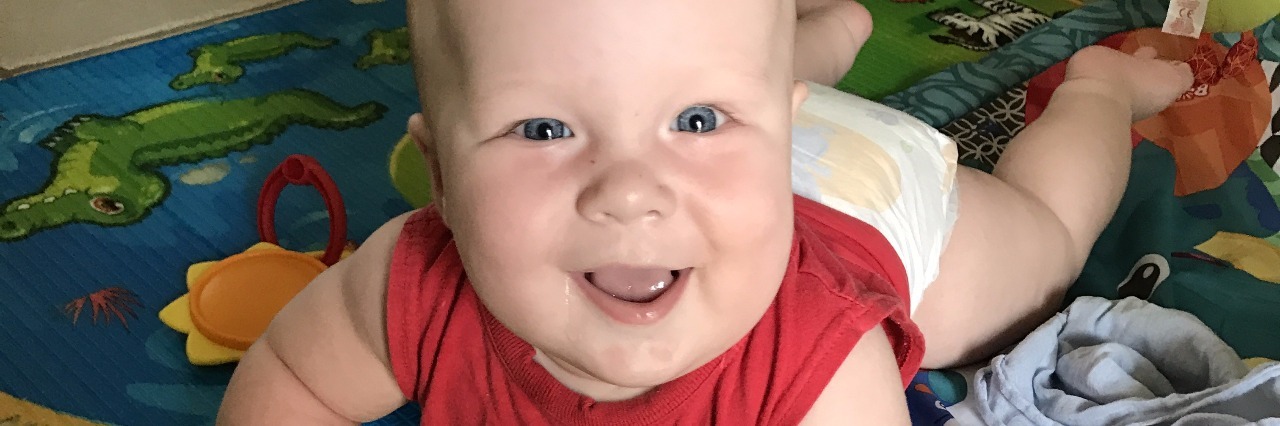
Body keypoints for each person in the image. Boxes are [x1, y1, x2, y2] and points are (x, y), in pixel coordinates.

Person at [217, 0, 1194, 423]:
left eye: (694, 116)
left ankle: (1094, 95)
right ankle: (787, 60)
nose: (627, 191)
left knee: (1046, 243)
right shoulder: (408, 284)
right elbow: (296, 383)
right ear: (437, 175)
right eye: (542, 129)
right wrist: (707, 119)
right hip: (746, 145)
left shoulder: (816, 371)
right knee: (707, 83)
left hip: (854, 197)